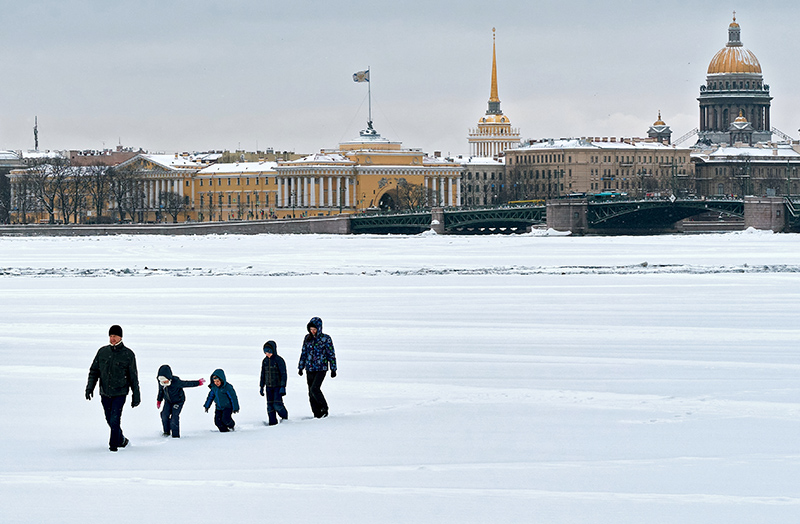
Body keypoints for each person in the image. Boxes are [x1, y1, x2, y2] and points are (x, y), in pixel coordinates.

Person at [85, 325, 141, 452]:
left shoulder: (128, 354)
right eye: (110, 336)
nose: (112, 339)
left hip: (120, 392)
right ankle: (121, 439)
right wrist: (90, 388)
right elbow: (94, 371)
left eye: (115, 336)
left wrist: (136, 395)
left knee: (115, 418)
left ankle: (113, 446)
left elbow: (133, 377)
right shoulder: (102, 352)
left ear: (121, 337)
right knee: (109, 418)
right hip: (105, 392)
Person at [297, 317, 337, 418]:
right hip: (309, 368)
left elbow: (331, 354)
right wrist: (301, 367)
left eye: (314, 329)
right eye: (311, 329)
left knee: (315, 388)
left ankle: (324, 408)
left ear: (319, 328)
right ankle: (317, 414)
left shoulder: (326, 338)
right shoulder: (307, 338)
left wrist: (333, 369)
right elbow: (304, 353)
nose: (313, 331)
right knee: (310, 392)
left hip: (321, 368)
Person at [156, 364, 206, 438]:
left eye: (165, 381)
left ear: (169, 378)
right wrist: (159, 400)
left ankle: (175, 436)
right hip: (168, 401)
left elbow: (187, 383)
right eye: (162, 381)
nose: (164, 383)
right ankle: (166, 432)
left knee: (174, 417)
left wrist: (198, 382)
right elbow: (160, 391)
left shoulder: (176, 382)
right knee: (164, 415)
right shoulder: (161, 382)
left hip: (178, 401)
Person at [259, 340, 288, 425]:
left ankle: (285, 417)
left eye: (269, 352)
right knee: (270, 407)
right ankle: (272, 423)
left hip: (277, 387)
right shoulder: (264, 361)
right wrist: (261, 386)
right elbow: (263, 374)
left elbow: (283, 374)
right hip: (268, 387)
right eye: (265, 352)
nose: (267, 354)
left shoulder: (279, 360)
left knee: (277, 404)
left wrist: (283, 386)